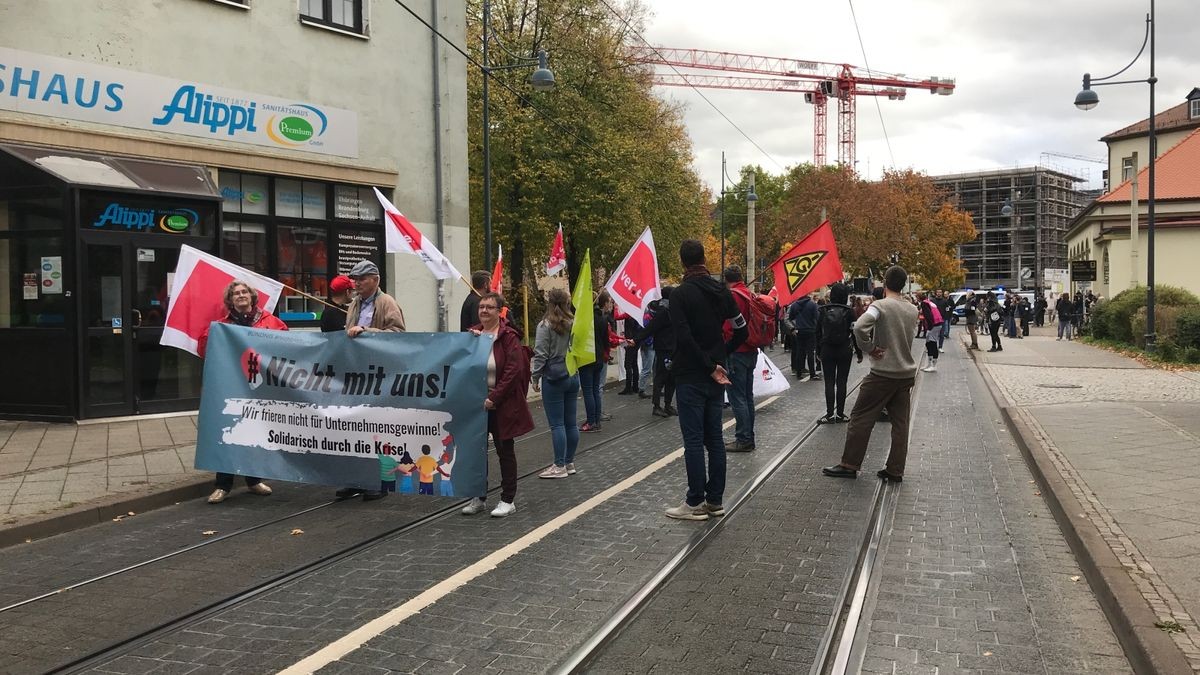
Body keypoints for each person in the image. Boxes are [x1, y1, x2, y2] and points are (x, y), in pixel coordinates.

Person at [665, 239, 747, 521]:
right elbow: (742, 330)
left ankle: (695, 502)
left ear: (683, 262)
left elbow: (684, 337)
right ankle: (715, 500)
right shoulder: (722, 292)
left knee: (694, 440)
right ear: (703, 259)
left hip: (691, 374)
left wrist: (709, 365)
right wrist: (720, 358)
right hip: (716, 376)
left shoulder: (679, 295)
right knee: (714, 438)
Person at [822, 266, 918, 483]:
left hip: (883, 373)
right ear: (903, 284)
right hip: (905, 375)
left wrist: (869, 348)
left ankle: (849, 464)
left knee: (860, 417)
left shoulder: (879, 306)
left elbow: (859, 328)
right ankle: (895, 469)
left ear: (885, 283)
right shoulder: (912, 309)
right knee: (901, 424)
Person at [201, 280, 286, 504]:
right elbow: (204, 351)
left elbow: (288, 345)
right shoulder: (221, 325)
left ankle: (253, 480)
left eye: (244, 292)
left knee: (254, 432)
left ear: (251, 296)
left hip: (259, 387)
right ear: (231, 300)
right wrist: (212, 336)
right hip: (230, 386)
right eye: (236, 293)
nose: (240, 295)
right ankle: (222, 485)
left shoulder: (270, 321)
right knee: (228, 433)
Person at [462, 292, 534, 517]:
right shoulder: (473, 335)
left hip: (500, 404)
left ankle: (507, 499)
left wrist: (495, 398)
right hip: (477, 405)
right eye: (481, 307)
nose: (484, 311)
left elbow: (513, 371)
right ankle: (478, 496)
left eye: (489, 307)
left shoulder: (509, 337)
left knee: (505, 450)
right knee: (476, 451)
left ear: (499, 311)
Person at [340, 260, 405, 500]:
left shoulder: (386, 302)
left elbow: (398, 335)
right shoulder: (355, 303)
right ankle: (358, 479)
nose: (356, 283)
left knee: (380, 430)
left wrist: (368, 332)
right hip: (358, 375)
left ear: (375, 280)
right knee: (358, 429)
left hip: (380, 375)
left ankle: (383, 481)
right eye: (354, 279)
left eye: (361, 279)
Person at [530, 288, 580, 479]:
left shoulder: (545, 325)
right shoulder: (574, 322)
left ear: (549, 302)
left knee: (557, 424)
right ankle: (569, 462)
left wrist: (535, 377)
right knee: (571, 422)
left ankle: (559, 466)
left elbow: (541, 354)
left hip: (554, 378)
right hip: (572, 374)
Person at [722, 266, 759, 452]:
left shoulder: (734, 296)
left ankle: (743, 438)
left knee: (737, 398)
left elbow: (729, 328)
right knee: (747, 396)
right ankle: (748, 436)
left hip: (737, 351)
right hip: (751, 350)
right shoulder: (749, 294)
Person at [816, 283, 863, 424]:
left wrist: (818, 351)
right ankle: (841, 414)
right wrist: (859, 352)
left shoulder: (823, 310)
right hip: (844, 349)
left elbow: (817, 332)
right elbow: (855, 333)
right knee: (842, 382)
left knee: (829, 382)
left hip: (827, 349)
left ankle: (830, 414)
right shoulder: (850, 311)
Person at [579, 290, 623, 432]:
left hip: (587, 359)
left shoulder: (584, 320)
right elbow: (606, 341)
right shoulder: (603, 320)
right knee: (595, 389)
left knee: (588, 392)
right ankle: (596, 420)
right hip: (599, 359)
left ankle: (591, 421)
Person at [635, 288, 677, 418]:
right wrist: (636, 339)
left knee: (671, 378)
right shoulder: (663, 312)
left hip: (672, 349)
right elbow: (650, 328)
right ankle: (657, 406)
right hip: (664, 349)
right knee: (660, 377)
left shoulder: (673, 310)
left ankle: (668, 404)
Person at [788, 293, 819, 381]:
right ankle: (812, 374)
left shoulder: (794, 305)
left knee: (800, 352)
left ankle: (799, 373)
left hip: (799, 330)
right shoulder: (812, 304)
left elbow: (791, 317)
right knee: (810, 353)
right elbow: (817, 317)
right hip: (810, 330)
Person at [917, 292, 942, 372]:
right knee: (928, 343)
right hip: (937, 323)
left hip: (934, 325)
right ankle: (928, 364)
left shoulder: (924, 304)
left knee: (932, 344)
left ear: (919, 297)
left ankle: (933, 365)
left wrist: (929, 328)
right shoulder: (929, 302)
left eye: (917, 297)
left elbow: (928, 316)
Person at [618, 310, 641, 395]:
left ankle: (628, 387)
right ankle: (635, 386)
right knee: (634, 364)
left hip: (630, 341)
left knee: (627, 364)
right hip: (635, 340)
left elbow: (617, 316)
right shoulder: (636, 312)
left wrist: (616, 306)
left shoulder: (629, 313)